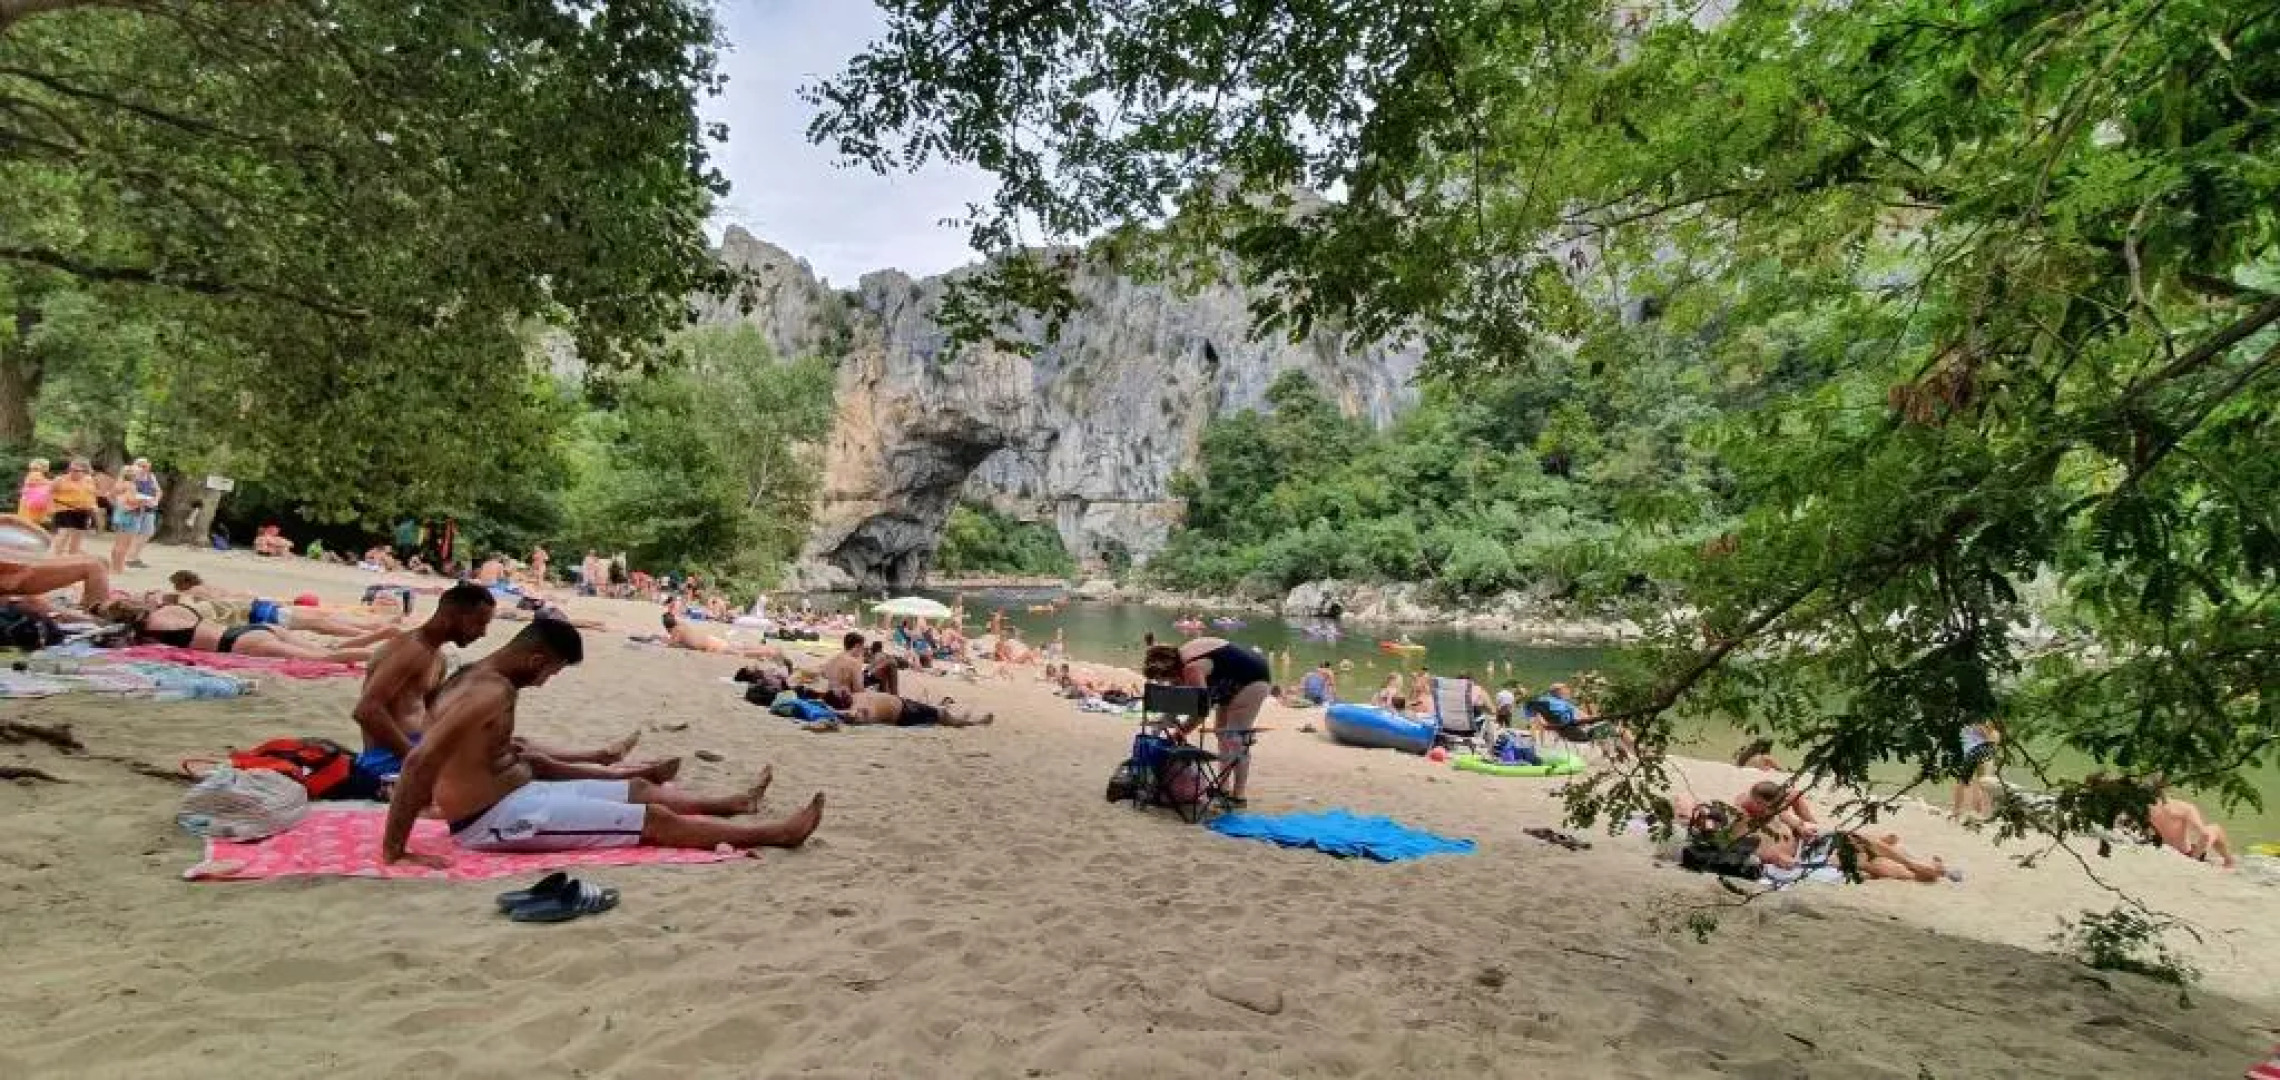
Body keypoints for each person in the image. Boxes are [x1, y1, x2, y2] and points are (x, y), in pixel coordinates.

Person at [380, 620, 824, 864]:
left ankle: (732, 804)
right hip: (491, 820)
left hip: (518, 794)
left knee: (641, 790)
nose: (547, 680)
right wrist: (395, 850)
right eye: (551, 670)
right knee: (652, 818)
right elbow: (421, 760)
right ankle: (777, 835)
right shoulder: (488, 691)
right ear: (536, 658)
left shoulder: (481, 678)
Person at [351, 583, 661, 784]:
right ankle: (613, 776)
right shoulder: (410, 651)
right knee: (521, 760)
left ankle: (598, 758)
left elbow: (432, 712)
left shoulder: (436, 657)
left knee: (509, 745)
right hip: (386, 760)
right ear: (454, 615)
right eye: (479, 623)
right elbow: (367, 711)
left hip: (417, 747)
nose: (482, 634)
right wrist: (415, 761)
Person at [1143, 636, 1271, 805]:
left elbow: (1201, 711)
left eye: (1165, 678)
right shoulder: (1180, 657)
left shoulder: (1191, 668)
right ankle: (1223, 789)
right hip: (1230, 678)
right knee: (1222, 733)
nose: (1167, 682)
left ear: (1171, 670)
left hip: (1253, 680)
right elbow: (1180, 699)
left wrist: (1181, 731)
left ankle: (1238, 795)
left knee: (1234, 738)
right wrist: (1167, 722)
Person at [99, 595, 381, 663]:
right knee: (325, 649)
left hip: (238, 643)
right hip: (253, 628)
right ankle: (379, 643)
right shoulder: (170, 609)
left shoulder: (148, 633)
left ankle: (377, 657)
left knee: (323, 658)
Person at [2143, 785, 2237, 868]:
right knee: (2215, 828)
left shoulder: (2144, 807)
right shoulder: (2183, 807)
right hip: (2185, 854)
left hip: (2160, 850)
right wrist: (2194, 859)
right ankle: (2229, 861)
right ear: (2168, 787)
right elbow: (2205, 835)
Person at [0, 545, 110, 607]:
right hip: (11, 578)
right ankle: (96, 620)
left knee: (99, 562)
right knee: (95, 566)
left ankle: (92, 613)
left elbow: (9, 521)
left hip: (13, 569)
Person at [107, 458, 162, 572]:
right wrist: (144, 501)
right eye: (138, 472)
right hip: (131, 515)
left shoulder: (119, 484)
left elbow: (111, 496)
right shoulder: (131, 486)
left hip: (121, 515)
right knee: (125, 544)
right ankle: (119, 567)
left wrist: (118, 507)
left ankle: (114, 566)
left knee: (118, 543)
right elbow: (132, 501)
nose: (141, 474)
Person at [837, 690, 993, 728]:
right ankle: (975, 722)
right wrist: (843, 714)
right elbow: (853, 717)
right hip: (905, 713)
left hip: (904, 704)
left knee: (938, 711)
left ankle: (960, 718)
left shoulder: (856, 695)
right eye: (840, 694)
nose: (843, 691)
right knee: (941, 714)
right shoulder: (854, 706)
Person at [46, 458, 99, 555]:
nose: (72, 472)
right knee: (63, 534)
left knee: (77, 538)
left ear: (85, 471)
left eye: (76, 470)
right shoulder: (60, 479)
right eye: (71, 469)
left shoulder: (89, 480)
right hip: (64, 508)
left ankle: (71, 560)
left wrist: (93, 506)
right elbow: (48, 493)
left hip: (82, 511)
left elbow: (91, 495)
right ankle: (54, 558)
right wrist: (50, 507)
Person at [1951, 720, 2000, 820]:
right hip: (1983, 751)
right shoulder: (1981, 719)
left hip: (1972, 752)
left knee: (1964, 782)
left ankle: (1957, 811)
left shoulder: (1966, 720)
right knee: (1982, 782)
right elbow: (1992, 736)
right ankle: (1980, 813)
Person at [819, 631, 867, 699]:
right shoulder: (854, 663)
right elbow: (858, 689)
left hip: (829, 697)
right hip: (844, 701)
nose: (863, 650)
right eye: (862, 647)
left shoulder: (835, 658)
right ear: (857, 646)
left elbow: (823, 673)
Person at [16, 458, 52, 524]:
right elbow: (38, 483)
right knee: (30, 524)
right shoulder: (35, 474)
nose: (48, 468)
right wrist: (52, 483)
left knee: (28, 523)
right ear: (43, 466)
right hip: (33, 503)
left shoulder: (32, 474)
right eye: (47, 466)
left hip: (30, 502)